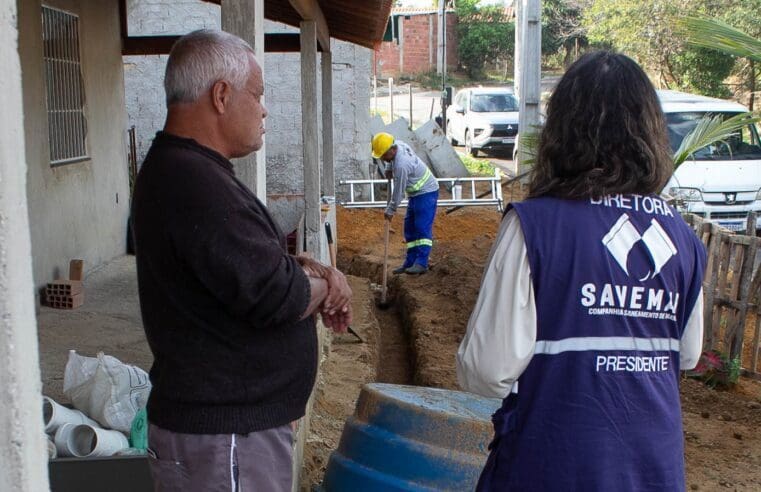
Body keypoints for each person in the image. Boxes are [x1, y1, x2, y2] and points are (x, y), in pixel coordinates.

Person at [456, 51, 706, 491]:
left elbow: (486, 371)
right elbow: (687, 355)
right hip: (653, 472)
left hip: (552, 466)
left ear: (561, 129)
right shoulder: (681, 237)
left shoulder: (535, 226)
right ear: (651, 131)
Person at [131, 29, 352, 492]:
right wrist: (326, 288)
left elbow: (248, 272)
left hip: (227, 438)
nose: (265, 108)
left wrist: (301, 271)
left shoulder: (188, 173)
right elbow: (274, 293)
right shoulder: (194, 183)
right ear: (221, 95)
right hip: (224, 441)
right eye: (259, 94)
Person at [372, 132, 439, 274]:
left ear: (392, 149)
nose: (383, 158)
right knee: (409, 227)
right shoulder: (399, 143)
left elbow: (399, 192)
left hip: (426, 192)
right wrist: (388, 168)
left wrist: (390, 210)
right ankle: (410, 262)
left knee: (421, 227)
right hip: (415, 194)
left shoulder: (402, 165)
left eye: (384, 155)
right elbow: (391, 162)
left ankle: (422, 263)